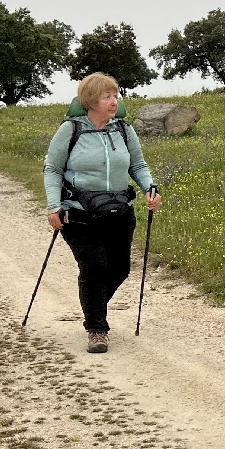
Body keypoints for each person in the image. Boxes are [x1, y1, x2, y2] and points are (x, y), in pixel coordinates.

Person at [44, 72, 161, 353]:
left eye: (115, 96)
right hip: (79, 214)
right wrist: (53, 206)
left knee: (119, 268)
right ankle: (97, 328)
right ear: (90, 101)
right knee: (94, 267)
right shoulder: (70, 130)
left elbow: (138, 165)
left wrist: (150, 187)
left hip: (119, 210)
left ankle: (92, 307)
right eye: (107, 96)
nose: (114, 102)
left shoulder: (123, 129)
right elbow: (52, 169)